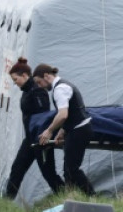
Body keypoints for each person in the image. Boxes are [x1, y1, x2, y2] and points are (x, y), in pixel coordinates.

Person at [4, 58, 64, 199]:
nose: (15, 83)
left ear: (25, 75)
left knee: (48, 174)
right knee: (17, 169)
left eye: (15, 79)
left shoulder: (38, 91)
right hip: (30, 139)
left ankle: (67, 197)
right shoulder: (27, 91)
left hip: (40, 139)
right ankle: (5, 202)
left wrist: (45, 135)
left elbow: (43, 117)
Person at [33, 63, 95, 196]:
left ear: (46, 76)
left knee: (72, 169)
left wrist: (49, 131)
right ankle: (72, 198)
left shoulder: (60, 89)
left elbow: (63, 115)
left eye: (39, 82)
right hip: (78, 128)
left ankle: (92, 196)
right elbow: (72, 113)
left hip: (80, 130)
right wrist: (62, 131)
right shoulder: (63, 85)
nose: (40, 86)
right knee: (68, 170)